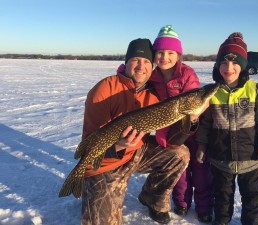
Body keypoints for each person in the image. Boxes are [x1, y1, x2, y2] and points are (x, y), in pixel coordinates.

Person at [81, 38, 201, 225]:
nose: (141, 66)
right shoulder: (105, 89)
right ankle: (89, 191)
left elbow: (172, 138)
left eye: (146, 61)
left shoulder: (154, 93)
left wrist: (192, 119)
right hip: (105, 162)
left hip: (136, 152)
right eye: (136, 60)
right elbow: (91, 143)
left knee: (179, 154)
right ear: (126, 62)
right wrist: (119, 144)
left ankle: (151, 198)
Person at [195, 32, 258, 225]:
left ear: (243, 66)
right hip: (220, 158)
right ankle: (222, 221)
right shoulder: (211, 92)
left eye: (234, 63)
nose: (229, 68)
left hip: (250, 158)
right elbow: (206, 123)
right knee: (222, 196)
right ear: (217, 66)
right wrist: (201, 145)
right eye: (224, 63)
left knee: (252, 196)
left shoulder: (254, 89)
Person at [150, 25, 214, 223]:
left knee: (201, 170)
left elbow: (198, 102)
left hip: (194, 129)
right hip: (172, 132)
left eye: (170, 52)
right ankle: (182, 203)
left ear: (178, 55)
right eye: (160, 52)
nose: (164, 57)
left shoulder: (187, 73)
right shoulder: (153, 78)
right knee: (180, 170)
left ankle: (204, 207)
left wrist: (193, 118)